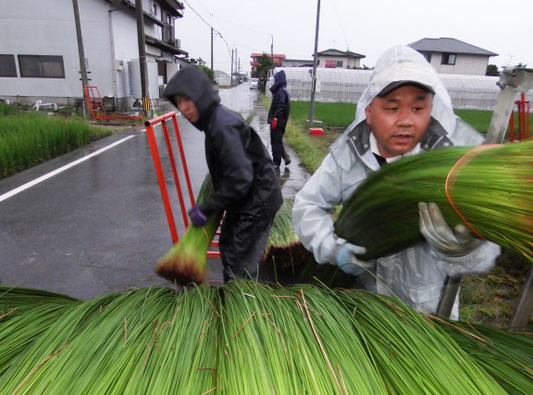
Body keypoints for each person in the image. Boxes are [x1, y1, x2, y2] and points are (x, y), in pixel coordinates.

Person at [292, 45, 500, 319]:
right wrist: (334, 250)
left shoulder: (453, 162)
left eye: (417, 107)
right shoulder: (350, 154)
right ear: (370, 110)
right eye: (392, 107)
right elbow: (307, 205)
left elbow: (487, 247)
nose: (405, 121)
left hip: (429, 309)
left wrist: (462, 251)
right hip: (365, 305)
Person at [163, 66, 283, 283]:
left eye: (186, 100)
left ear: (199, 94)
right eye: (178, 102)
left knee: (240, 263)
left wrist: (207, 207)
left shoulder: (221, 126)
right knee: (229, 242)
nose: (183, 108)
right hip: (251, 197)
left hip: (257, 202)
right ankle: (236, 295)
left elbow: (240, 178)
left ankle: (242, 307)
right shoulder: (215, 121)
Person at [267, 70, 291, 168]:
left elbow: (280, 106)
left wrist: (275, 119)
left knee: (275, 142)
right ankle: (286, 157)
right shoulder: (283, 91)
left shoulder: (281, 92)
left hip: (278, 122)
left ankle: (276, 162)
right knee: (278, 140)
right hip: (280, 121)